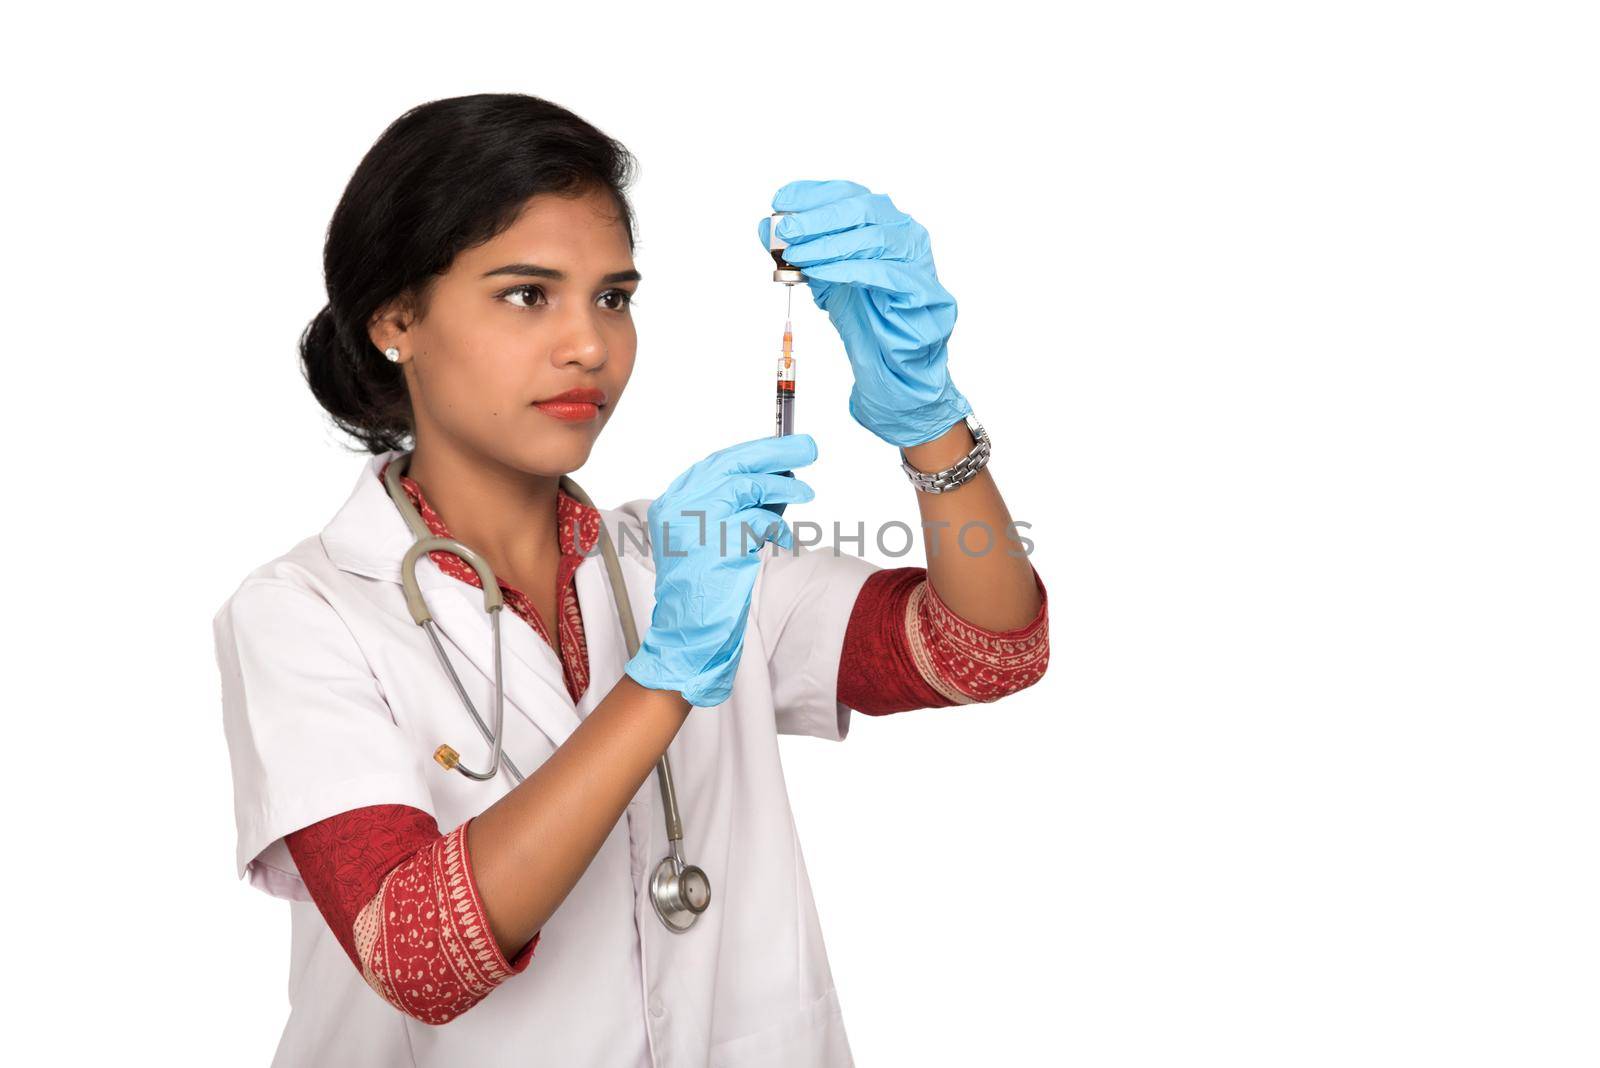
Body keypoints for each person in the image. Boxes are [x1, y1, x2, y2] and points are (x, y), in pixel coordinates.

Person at [211, 92, 1049, 1068]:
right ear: (396, 319)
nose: (589, 345)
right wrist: (662, 680)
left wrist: (927, 422)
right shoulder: (304, 610)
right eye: (528, 294)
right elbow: (416, 954)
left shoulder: (683, 557)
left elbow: (986, 652)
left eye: (613, 296)